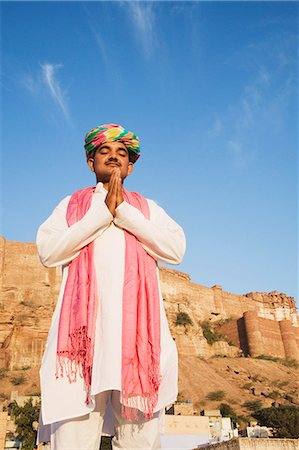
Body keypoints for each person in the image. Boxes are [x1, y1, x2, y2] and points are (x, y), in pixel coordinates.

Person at [36, 123, 186, 450]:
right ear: (91, 163)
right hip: (79, 351)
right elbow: (49, 252)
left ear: (131, 166)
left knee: (140, 444)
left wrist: (124, 213)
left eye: (122, 154)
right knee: (72, 443)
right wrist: (102, 213)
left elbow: (175, 250)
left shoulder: (147, 210)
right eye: (105, 152)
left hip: (139, 352)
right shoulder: (71, 207)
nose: (114, 158)